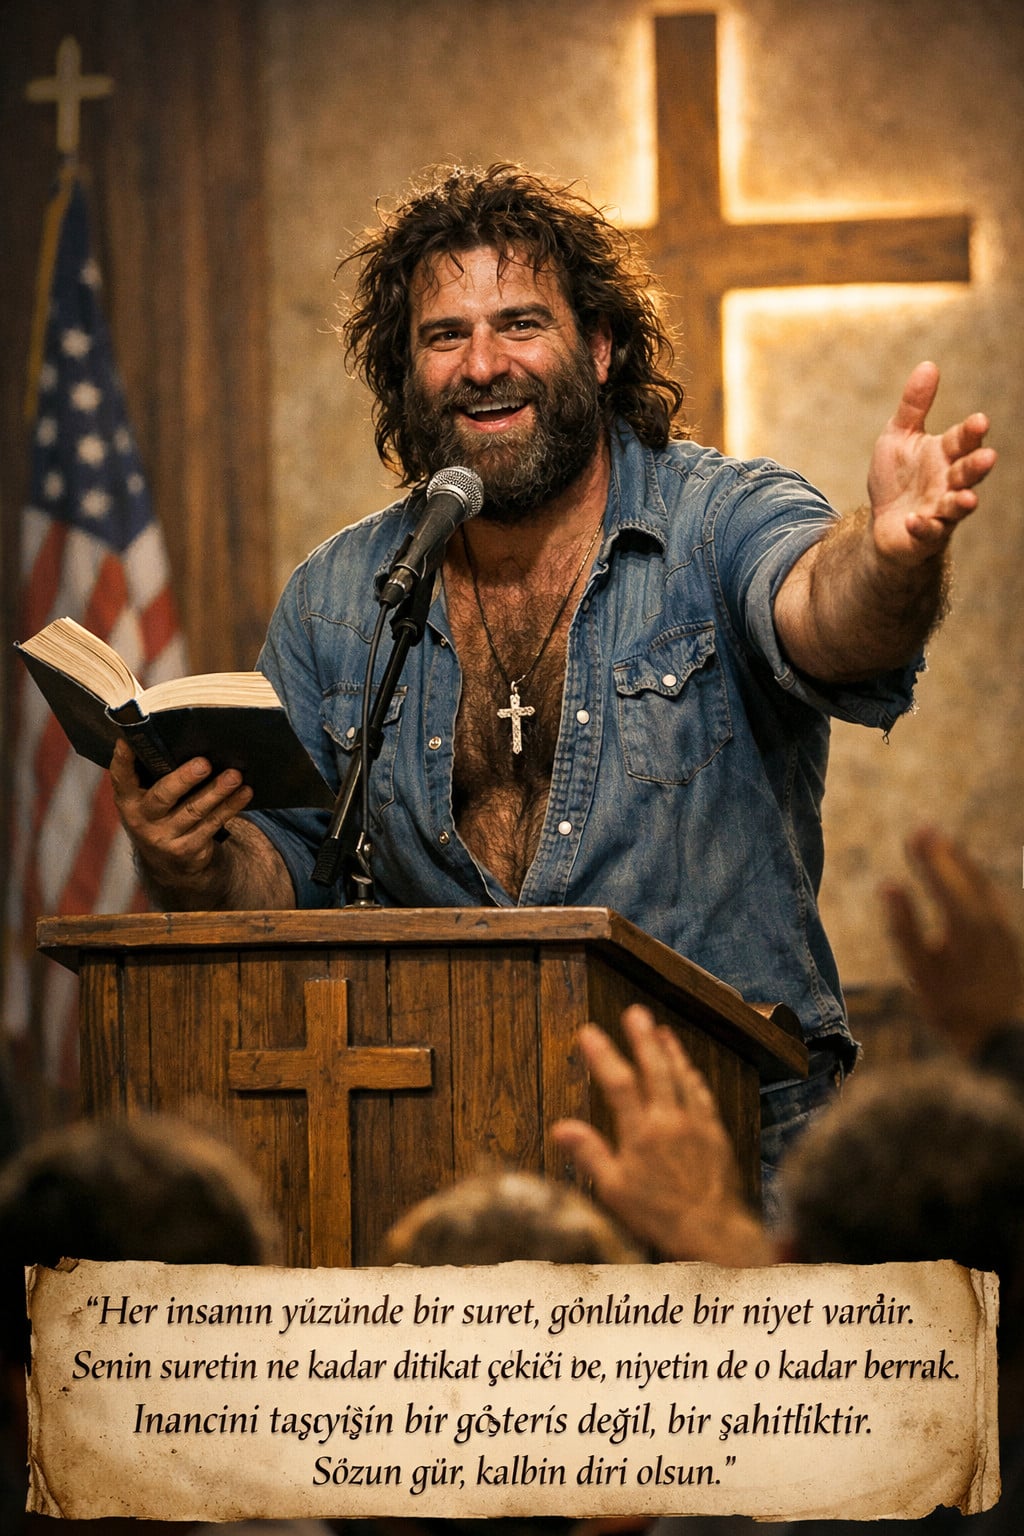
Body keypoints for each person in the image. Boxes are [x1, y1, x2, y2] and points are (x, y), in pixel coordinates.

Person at [107, 162, 996, 1200]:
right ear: (404, 371)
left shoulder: (716, 520)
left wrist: (888, 557)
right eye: (445, 336)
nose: (483, 364)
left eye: (521, 323)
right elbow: (290, 878)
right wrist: (191, 862)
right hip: (447, 1158)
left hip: (726, 1149)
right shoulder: (339, 598)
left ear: (601, 347)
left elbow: (823, 619)